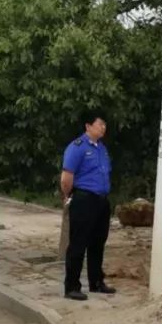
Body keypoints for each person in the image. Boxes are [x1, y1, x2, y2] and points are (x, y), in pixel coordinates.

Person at [60, 110, 115, 300]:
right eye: (100, 124)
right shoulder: (77, 147)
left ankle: (96, 282)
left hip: (101, 200)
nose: (103, 128)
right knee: (78, 243)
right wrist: (68, 195)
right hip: (84, 199)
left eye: (104, 125)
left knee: (98, 242)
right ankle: (72, 286)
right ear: (88, 126)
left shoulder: (101, 148)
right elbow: (67, 177)